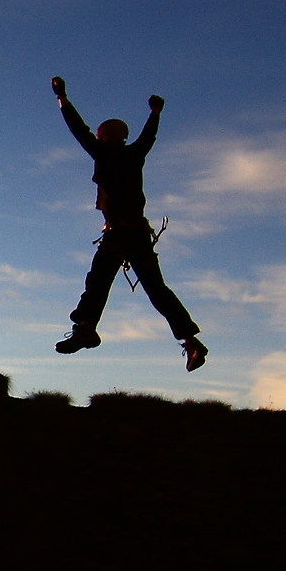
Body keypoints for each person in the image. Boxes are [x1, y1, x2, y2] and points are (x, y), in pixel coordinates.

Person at [48, 75, 207, 371]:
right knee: (157, 290)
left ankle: (85, 329)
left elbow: (77, 129)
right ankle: (191, 343)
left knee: (97, 283)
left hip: (120, 233)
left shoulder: (103, 153)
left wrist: (62, 98)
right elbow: (148, 138)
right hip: (136, 233)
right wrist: (155, 113)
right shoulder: (134, 154)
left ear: (104, 135)